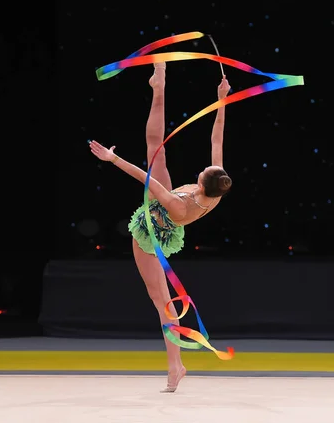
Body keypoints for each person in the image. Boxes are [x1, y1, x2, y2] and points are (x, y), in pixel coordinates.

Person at [89, 62, 232, 392]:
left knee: (162, 301)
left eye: (201, 173)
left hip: (152, 232)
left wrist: (112, 160)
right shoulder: (216, 185)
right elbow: (216, 139)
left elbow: (146, 178)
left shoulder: (182, 203)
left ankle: (176, 365)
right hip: (162, 206)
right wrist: (221, 100)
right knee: (156, 145)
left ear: (200, 183)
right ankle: (159, 84)